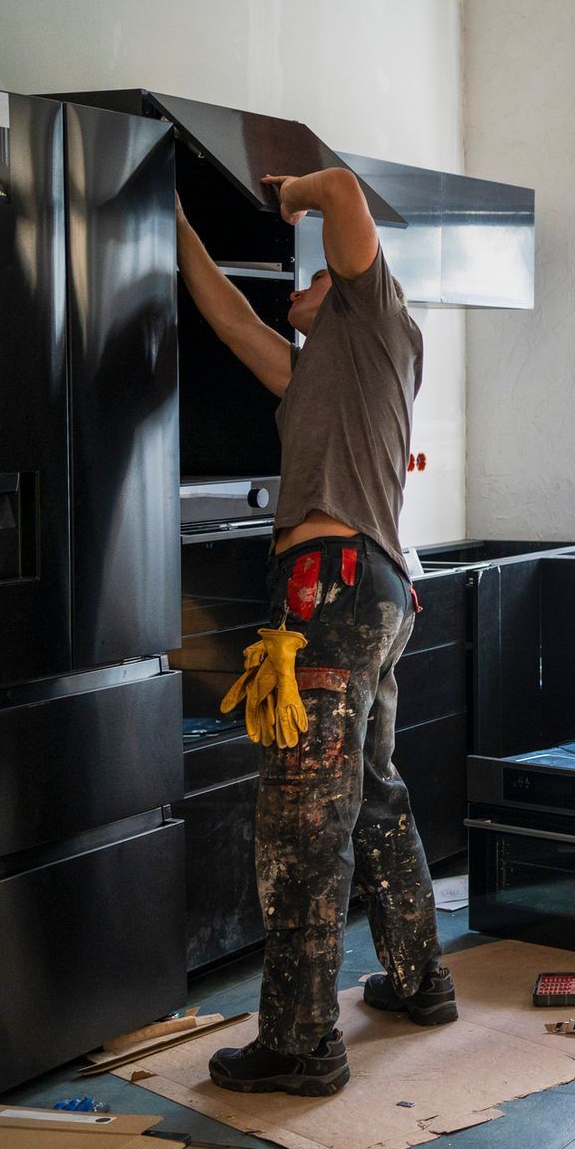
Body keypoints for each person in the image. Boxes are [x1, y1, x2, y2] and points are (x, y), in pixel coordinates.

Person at [175, 169, 453, 1097]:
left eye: (315, 271)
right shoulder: (319, 369)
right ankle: (422, 980)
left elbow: (338, 188)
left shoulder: (374, 317)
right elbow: (228, 321)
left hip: (328, 598)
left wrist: (293, 191)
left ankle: (300, 1043)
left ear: (348, 277)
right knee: (370, 800)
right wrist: (171, 226)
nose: (298, 282)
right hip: (372, 593)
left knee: (304, 823)